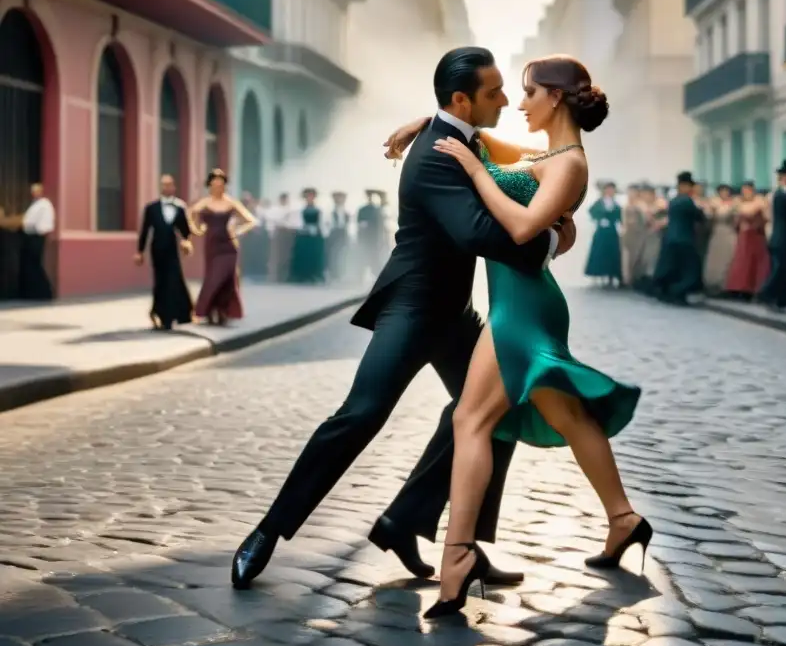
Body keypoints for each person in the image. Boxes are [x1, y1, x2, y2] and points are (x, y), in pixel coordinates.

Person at [230, 47, 576, 591]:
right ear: (462, 99)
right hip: (412, 307)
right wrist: (552, 237)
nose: (507, 100)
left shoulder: (458, 138)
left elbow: (506, 152)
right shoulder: (440, 156)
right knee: (360, 415)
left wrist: (430, 119)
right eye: (494, 93)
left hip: (454, 313)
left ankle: (418, 527)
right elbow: (477, 235)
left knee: (498, 410)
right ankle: (267, 532)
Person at [426, 54, 646, 617]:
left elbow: (523, 227)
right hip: (521, 300)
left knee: (469, 420)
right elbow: (470, 135)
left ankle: (457, 560)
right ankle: (624, 519)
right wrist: (418, 124)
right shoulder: (545, 156)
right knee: (569, 416)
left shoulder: (568, 164)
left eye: (527, 93)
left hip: (522, 307)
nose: (518, 104)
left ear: (554, 97)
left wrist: (476, 175)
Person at [190, 169, 256, 326]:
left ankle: (222, 311)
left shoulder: (231, 203)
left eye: (221, 184)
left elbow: (251, 221)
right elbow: (190, 216)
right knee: (212, 278)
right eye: (215, 184)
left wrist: (237, 231)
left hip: (229, 246)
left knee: (225, 280)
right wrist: (197, 230)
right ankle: (208, 311)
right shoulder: (204, 203)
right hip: (212, 246)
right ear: (210, 185)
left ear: (225, 186)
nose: (218, 187)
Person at [135, 174, 194, 330]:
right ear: (160, 187)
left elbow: (186, 231)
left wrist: (186, 242)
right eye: (163, 185)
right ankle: (160, 314)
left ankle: (175, 315)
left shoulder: (180, 207)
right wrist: (140, 251)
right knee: (160, 281)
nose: (166, 187)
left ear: (174, 187)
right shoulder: (151, 208)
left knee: (174, 280)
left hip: (172, 250)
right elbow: (145, 231)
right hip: (157, 250)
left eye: (169, 185)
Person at [651, 172, 705, 305]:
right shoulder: (687, 201)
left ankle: (667, 293)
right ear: (685, 186)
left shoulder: (673, 201)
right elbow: (700, 217)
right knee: (689, 270)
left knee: (672, 268)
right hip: (684, 240)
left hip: (670, 239)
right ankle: (678, 293)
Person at [759, 160, 786, 312]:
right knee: (781, 270)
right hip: (784, 239)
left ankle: (782, 300)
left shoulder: (782, 194)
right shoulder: (784, 195)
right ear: (785, 177)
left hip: (783, 239)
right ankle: (766, 292)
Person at [19, 183, 55, 300]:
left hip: (37, 236)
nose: (34, 193)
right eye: (32, 191)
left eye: (36, 190)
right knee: (30, 264)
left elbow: (43, 224)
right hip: (30, 236)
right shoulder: (35, 205)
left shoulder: (44, 205)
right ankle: (32, 292)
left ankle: (44, 293)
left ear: (41, 191)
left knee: (34, 264)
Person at [584, 181, 623, 286]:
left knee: (612, 253)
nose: (610, 191)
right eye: (609, 189)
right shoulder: (600, 202)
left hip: (612, 231)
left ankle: (611, 275)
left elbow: (620, 216)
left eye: (612, 189)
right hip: (601, 231)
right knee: (600, 252)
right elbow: (591, 211)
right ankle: (599, 274)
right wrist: (599, 219)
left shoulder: (616, 204)